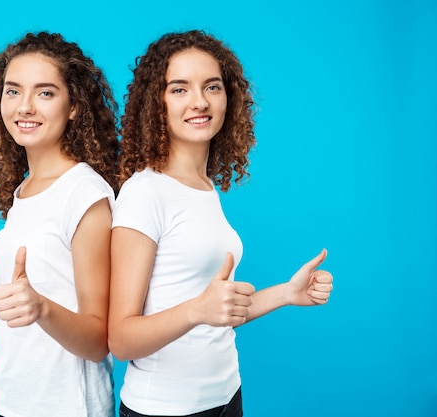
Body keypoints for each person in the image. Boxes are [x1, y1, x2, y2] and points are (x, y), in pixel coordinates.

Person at [108, 30, 334, 417]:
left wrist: (285, 293)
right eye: (179, 89)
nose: (199, 101)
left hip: (226, 397)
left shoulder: (204, 187)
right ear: (156, 104)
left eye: (211, 86)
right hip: (166, 409)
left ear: (228, 97)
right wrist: (197, 309)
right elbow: (122, 339)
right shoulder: (145, 192)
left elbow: (216, 310)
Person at [0, 32, 119, 417]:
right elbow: (10, 317)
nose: (24, 106)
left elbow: (99, 340)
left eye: (45, 93)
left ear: (74, 105)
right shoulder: (25, 189)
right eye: (13, 91)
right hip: (7, 402)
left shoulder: (85, 195)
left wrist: (43, 308)